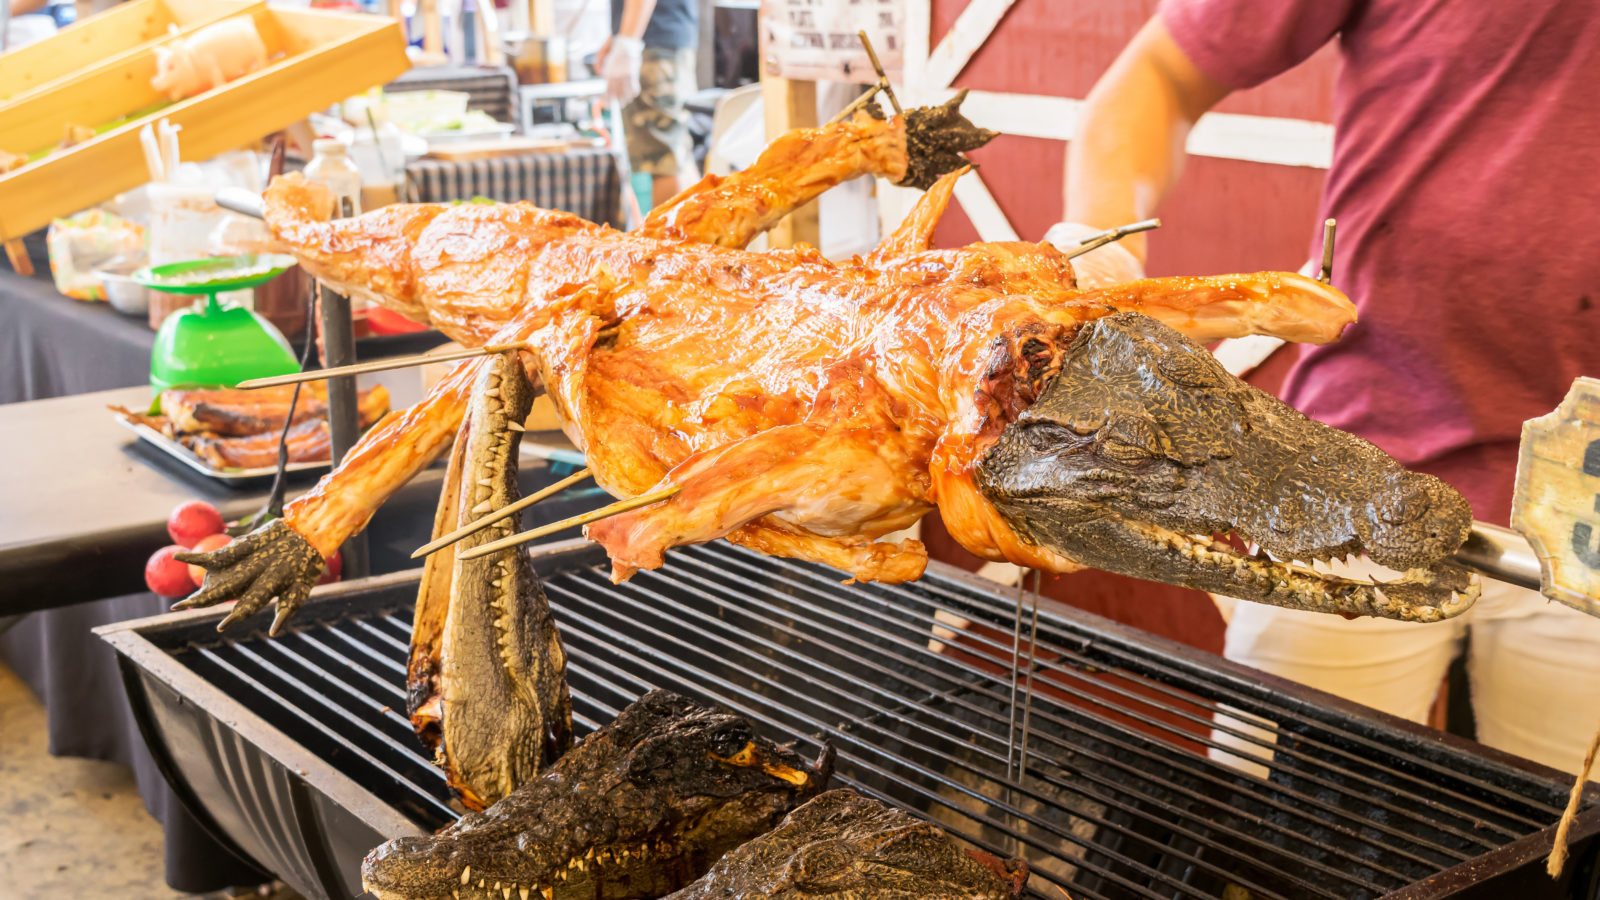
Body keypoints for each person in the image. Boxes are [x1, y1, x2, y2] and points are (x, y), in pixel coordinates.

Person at [1052, 0, 1600, 774]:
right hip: (1353, 471)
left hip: (1591, 515)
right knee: (1275, 831)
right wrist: (1098, 245)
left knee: (1567, 847)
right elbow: (1160, 76)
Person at [599, 0, 699, 208]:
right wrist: (617, 36)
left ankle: (670, 241)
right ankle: (695, 238)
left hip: (653, 43)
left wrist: (627, 44)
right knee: (675, 154)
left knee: (663, 161)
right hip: (662, 39)